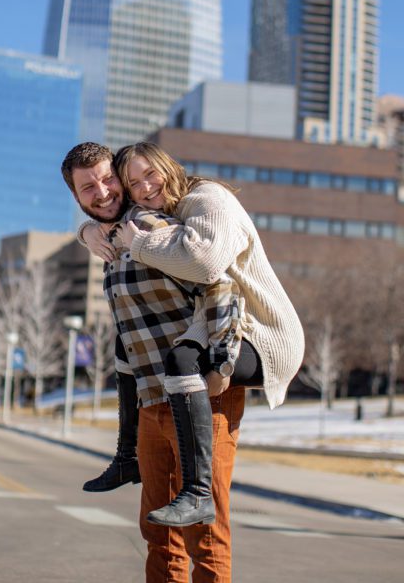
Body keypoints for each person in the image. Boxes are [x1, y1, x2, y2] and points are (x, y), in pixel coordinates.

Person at [78, 142, 305, 527]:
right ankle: (125, 456)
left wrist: (139, 244)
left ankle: (198, 493)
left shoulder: (208, 199)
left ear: (169, 166)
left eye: (151, 174)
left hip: (260, 331)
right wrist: (88, 231)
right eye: (134, 183)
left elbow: (206, 264)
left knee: (182, 360)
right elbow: (119, 216)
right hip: (219, 319)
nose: (146, 186)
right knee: (126, 343)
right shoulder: (168, 211)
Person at [62, 142, 258, 583]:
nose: (102, 192)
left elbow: (220, 285)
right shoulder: (110, 239)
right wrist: (87, 232)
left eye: (108, 179)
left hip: (202, 394)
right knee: (157, 530)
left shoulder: (153, 225)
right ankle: (123, 456)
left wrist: (221, 367)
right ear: (77, 198)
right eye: (88, 187)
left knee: (205, 535)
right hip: (152, 396)